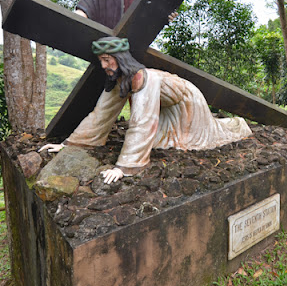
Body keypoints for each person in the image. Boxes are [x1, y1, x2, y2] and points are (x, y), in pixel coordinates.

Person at [40, 37, 253, 184]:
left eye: (107, 59)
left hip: (187, 102)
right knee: (162, 143)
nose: (104, 65)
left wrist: (124, 167)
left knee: (201, 140)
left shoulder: (142, 78)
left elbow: (141, 122)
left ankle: (239, 125)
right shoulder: (119, 79)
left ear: (119, 58)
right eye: (101, 61)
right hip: (165, 109)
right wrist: (68, 145)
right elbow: (100, 115)